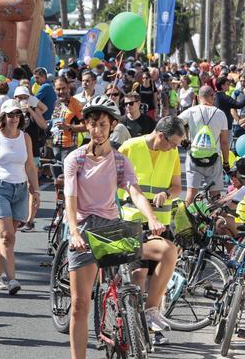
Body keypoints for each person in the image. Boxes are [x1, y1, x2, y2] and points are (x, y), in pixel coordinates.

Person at [64, 96, 168, 359]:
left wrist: (152, 218)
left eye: (102, 124)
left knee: (164, 252)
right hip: (84, 230)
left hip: (111, 229)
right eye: (92, 124)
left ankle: (139, 312)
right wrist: (74, 232)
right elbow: (71, 199)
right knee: (79, 305)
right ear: (86, 126)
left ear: (112, 126)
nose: (96, 130)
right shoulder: (75, 160)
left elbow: (135, 191)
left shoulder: (120, 161)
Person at [117, 117, 183, 345]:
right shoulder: (130, 147)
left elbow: (177, 187)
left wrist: (167, 193)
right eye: (173, 143)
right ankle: (135, 326)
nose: (174, 149)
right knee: (138, 277)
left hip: (161, 223)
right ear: (161, 135)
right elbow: (113, 181)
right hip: (132, 221)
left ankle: (150, 321)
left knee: (158, 278)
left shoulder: (171, 153)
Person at [0, 99, 39, 295]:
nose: (14, 118)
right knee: (6, 236)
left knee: (7, 239)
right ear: (3, 117)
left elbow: (30, 165)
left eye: (18, 114)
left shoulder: (25, 137)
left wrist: (35, 190)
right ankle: (12, 279)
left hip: (20, 190)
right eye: (11, 114)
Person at [180, 85, 230, 204]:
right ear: (213, 97)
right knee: (215, 196)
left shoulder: (191, 111)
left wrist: (184, 139)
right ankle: (214, 221)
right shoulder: (220, 114)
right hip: (214, 158)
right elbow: (224, 142)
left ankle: (184, 220)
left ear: (198, 97)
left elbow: (174, 123)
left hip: (193, 156)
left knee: (190, 194)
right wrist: (226, 163)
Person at [13, 87, 48, 232]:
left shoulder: (34, 110)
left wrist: (31, 110)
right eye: (19, 98)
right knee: (19, 187)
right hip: (16, 155)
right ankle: (21, 218)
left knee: (32, 186)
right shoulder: (13, 114)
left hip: (32, 154)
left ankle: (30, 221)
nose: (22, 100)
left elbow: (43, 125)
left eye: (25, 97)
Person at [50, 77, 84, 173]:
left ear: (68, 87)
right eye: (58, 89)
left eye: (63, 88)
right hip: (55, 146)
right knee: (57, 181)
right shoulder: (57, 103)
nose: (61, 91)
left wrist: (68, 127)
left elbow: (87, 126)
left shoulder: (75, 104)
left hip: (69, 147)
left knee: (68, 179)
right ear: (54, 89)